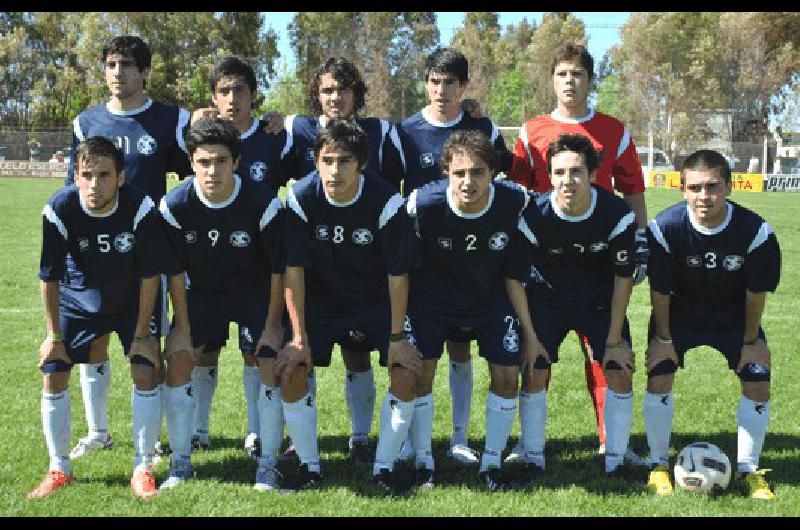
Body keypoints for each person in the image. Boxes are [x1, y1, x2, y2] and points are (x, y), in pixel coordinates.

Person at [507, 43, 647, 464]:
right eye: (563, 73)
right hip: (544, 262)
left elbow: (633, 190)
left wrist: (638, 243)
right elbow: (517, 194)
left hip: (600, 263)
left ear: (589, 80)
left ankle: (612, 443)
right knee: (534, 356)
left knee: (607, 355)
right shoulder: (531, 131)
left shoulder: (614, 130)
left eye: (578, 74)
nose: (570, 81)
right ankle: (529, 446)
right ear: (552, 80)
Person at [374, 130, 534, 493]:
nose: (468, 181)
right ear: (445, 171)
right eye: (459, 172)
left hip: (490, 301)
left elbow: (551, 210)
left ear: (492, 173)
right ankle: (424, 461)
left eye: (477, 172)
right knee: (419, 375)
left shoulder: (516, 200)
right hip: (433, 301)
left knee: (508, 377)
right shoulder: (422, 203)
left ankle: (491, 464)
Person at [65, 35, 191, 461]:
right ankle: (98, 431)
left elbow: (209, 154)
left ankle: (151, 441)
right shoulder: (86, 123)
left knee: (146, 345)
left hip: (145, 256)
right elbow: (74, 189)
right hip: (96, 251)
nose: (118, 73)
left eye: (127, 65)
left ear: (144, 71)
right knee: (93, 341)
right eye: (112, 64)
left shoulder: (171, 120)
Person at [275, 57, 407, 464]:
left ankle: (372, 444)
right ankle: (304, 452)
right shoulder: (298, 133)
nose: (335, 97)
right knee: (298, 358)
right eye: (327, 89)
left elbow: (409, 172)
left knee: (374, 357)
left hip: (369, 276)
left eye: (342, 89)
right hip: (321, 283)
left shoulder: (380, 136)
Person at [29, 137, 167, 500]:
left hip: (132, 298)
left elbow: (150, 275)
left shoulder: (141, 208)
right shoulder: (59, 208)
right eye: (86, 175)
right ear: (75, 176)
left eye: (104, 175)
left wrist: (142, 335)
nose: (94, 185)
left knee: (144, 366)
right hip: (80, 297)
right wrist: (54, 337)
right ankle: (59, 467)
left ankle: (142, 467)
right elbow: (49, 277)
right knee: (54, 370)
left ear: (120, 177)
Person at [394, 47, 513, 465]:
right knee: (422, 357)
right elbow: (395, 195)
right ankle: (412, 440)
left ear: (464, 87)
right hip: (425, 263)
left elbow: (507, 181)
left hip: (475, 260)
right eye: (434, 81)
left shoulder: (482, 126)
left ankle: (459, 437)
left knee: (462, 351)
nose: (441, 90)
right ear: (425, 83)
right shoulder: (404, 132)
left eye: (450, 82)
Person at [644, 149, 781, 499]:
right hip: (680, 315)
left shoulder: (756, 233)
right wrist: (663, 337)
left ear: (729, 187)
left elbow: (755, 293)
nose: (703, 196)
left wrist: (750, 341)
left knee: (757, 377)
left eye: (712, 187)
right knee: (659, 371)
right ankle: (658, 465)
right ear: (682, 189)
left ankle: (750, 470)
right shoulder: (664, 228)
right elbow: (659, 290)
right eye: (695, 188)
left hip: (733, 316)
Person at [158, 117, 285, 490]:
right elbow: (175, 273)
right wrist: (180, 328)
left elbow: (278, 271)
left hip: (253, 292)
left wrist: (274, 325)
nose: (212, 171)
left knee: (267, 360)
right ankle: (180, 463)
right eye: (203, 162)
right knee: (180, 360)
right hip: (202, 294)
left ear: (236, 162)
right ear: (191, 162)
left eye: (220, 161)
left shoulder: (262, 202)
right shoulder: (175, 204)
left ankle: (267, 462)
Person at [515, 133, 637, 483]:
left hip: (598, 302)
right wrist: (531, 336)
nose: (568, 180)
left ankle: (616, 459)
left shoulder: (616, 214)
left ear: (593, 174)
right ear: (549, 176)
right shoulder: (533, 215)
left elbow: (622, 278)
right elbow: (515, 279)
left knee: (618, 368)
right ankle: (532, 455)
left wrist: (614, 339)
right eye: (560, 172)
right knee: (535, 365)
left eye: (576, 172)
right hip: (547, 300)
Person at [186, 55, 290, 460]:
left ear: (253, 95)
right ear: (213, 97)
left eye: (240, 90)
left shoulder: (274, 136)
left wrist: (282, 118)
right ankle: (198, 429)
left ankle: (255, 431)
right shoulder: (197, 134)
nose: (232, 99)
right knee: (202, 350)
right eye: (224, 91)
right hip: (207, 267)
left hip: (258, 271)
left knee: (254, 352)